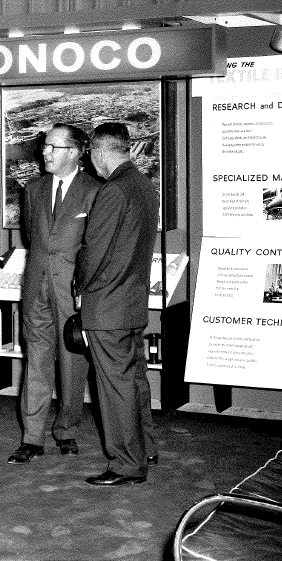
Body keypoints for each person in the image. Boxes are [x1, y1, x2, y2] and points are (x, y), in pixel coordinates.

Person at [7, 124, 101, 465]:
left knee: (73, 362)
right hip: (36, 289)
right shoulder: (33, 189)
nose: (44, 152)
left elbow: (94, 247)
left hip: (73, 292)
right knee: (36, 361)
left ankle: (66, 430)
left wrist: (83, 289)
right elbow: (32, 238)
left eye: (52, 147)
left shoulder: (95, 190)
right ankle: (31, 437)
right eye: (45, 146)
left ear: (75, 153)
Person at [74, 122, 159, 486]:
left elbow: (94, 251)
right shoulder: (143, 186)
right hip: (132, 302)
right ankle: (145, 448)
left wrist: (80, 287)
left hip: (107, 305)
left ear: (99, 151)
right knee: (135, 380)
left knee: (115, 387)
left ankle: (126, 464)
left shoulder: (112, 191)